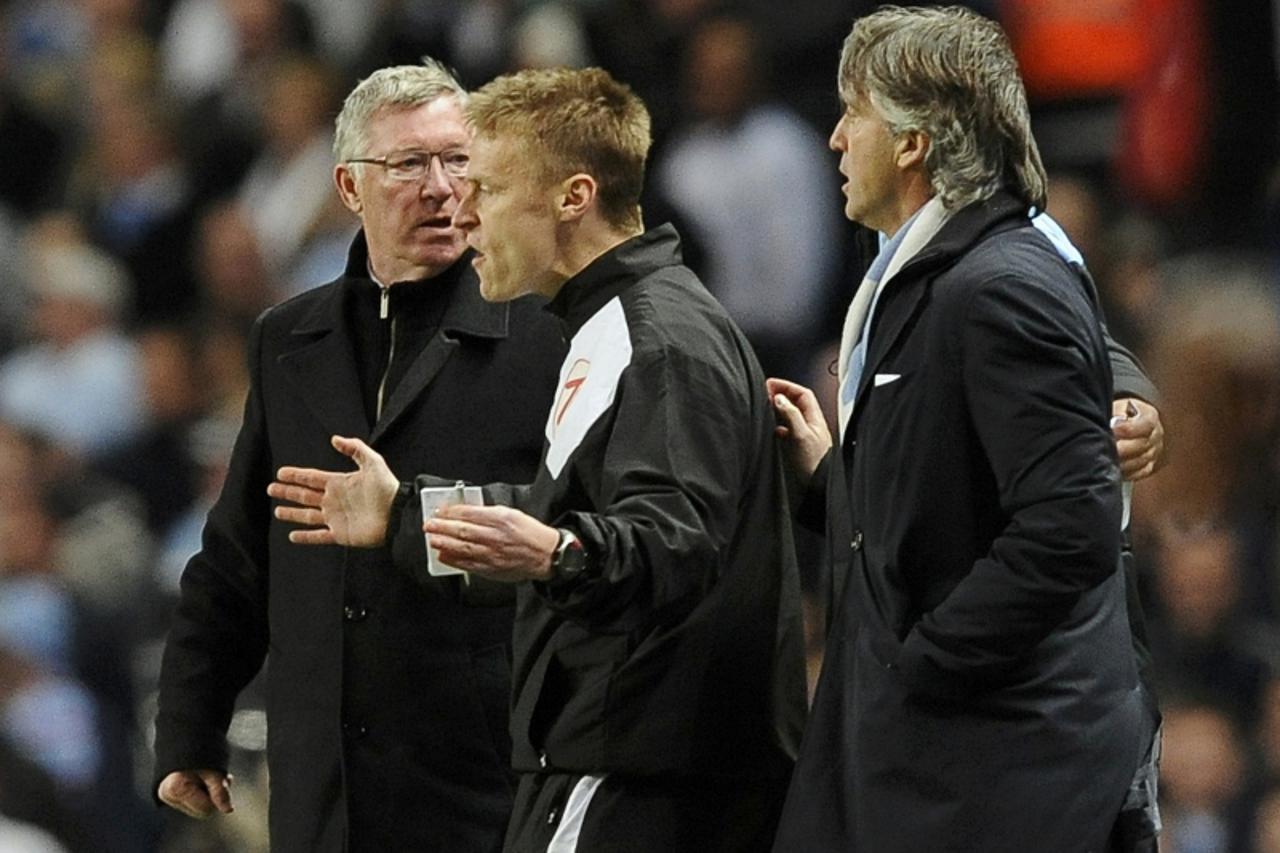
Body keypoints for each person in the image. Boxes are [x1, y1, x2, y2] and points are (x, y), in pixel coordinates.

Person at [268, 66, 808, 853]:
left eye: (486, 186)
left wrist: (559, 555)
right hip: (615, 761)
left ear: (572, 196)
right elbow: (575, 516)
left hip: (640, 772)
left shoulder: (657, 338)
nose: (464, 208)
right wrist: (406, 516)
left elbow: (674, 542)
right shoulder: (611, 324)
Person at [766, 7, 1161, 851]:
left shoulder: (997, 282)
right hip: (939, 763)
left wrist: (925, 665)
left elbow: (1068, 527)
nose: (835, 139)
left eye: (853, 113)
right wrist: (831, 481)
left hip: (1001, 771)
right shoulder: (923, 277)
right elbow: (942, 508)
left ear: (913, 141)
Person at [152, 61, 564, 853]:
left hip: (483, 786)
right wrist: (189, 726)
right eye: (409, 164)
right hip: (323, 791)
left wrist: (408, 513)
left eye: (458, 160)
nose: (442, 187)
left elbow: (571, 521)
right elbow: (238, 557)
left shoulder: (545, 332)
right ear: (349, 187)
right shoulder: (287, 338)